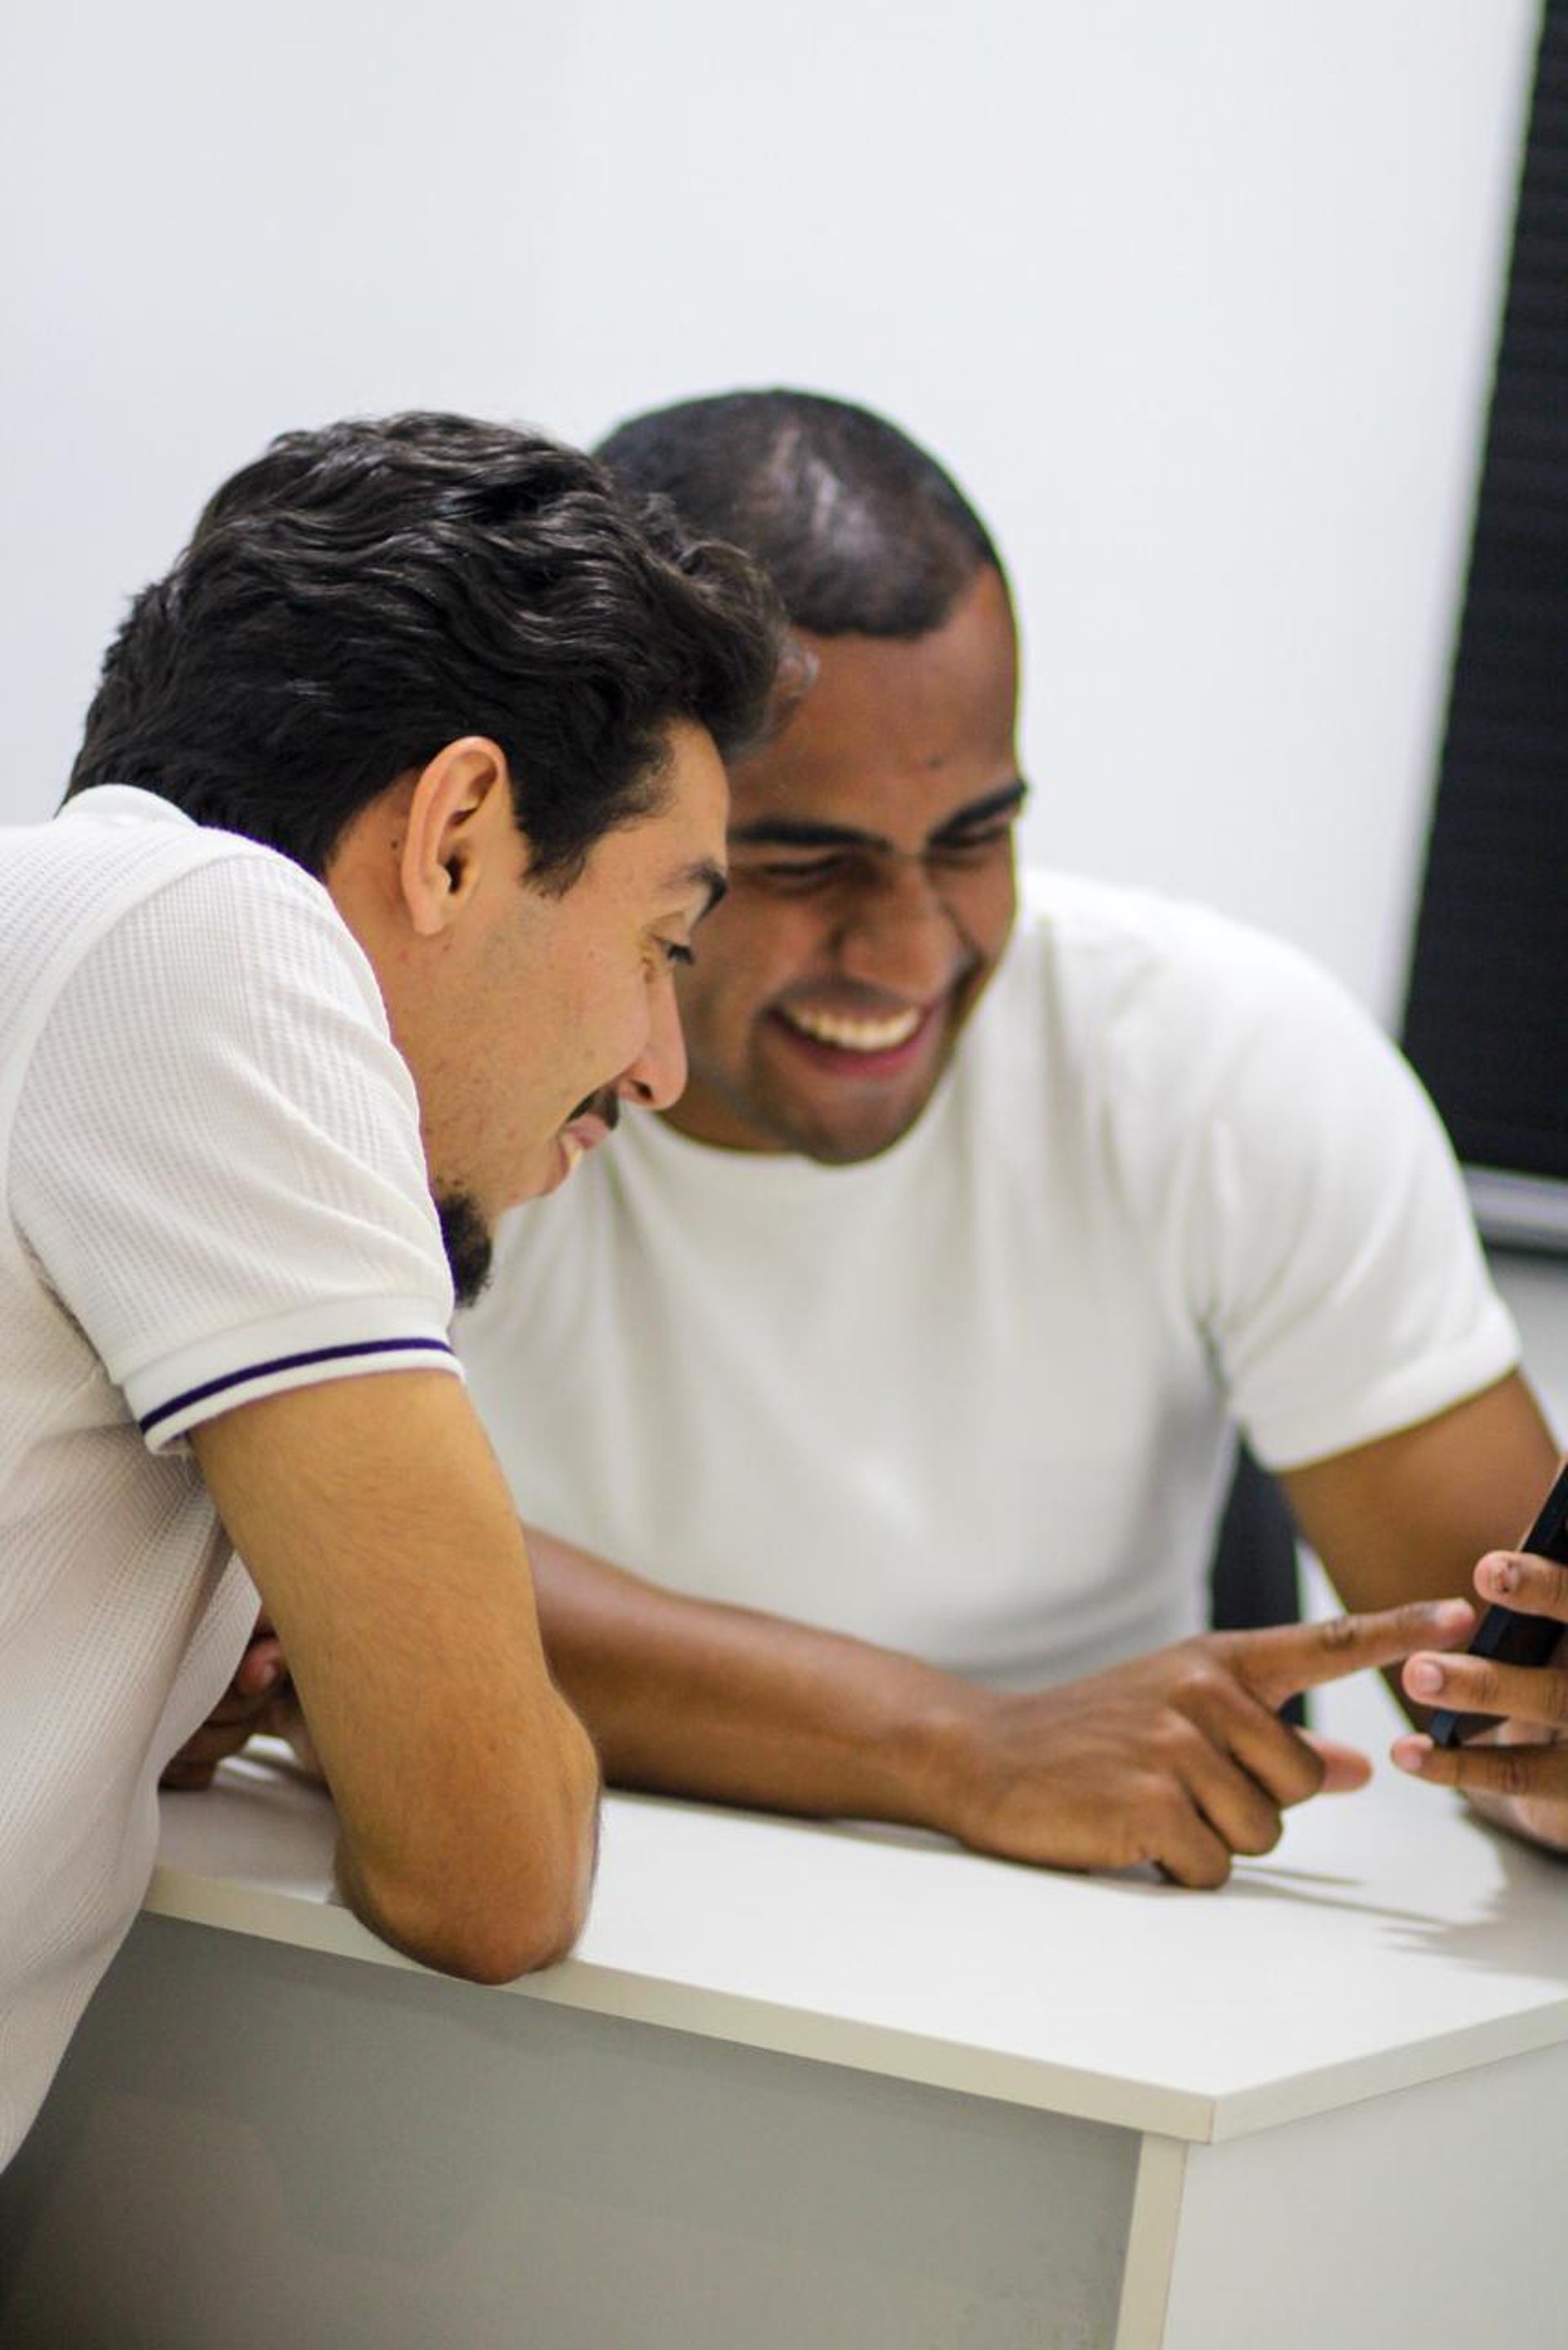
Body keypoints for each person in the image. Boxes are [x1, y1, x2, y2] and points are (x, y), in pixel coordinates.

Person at [449, 390, 1566, 1880]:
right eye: (809, 861)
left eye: (975, 839)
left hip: (1080, 1974)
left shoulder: (1227, 1060)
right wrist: (953, 1742)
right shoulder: (410, 1057)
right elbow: (335, 1574)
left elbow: (1503, 1703)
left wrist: (1541, 1755)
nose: (911, 949)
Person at [0, 408, 783, 2171]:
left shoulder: (69, 932)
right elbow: (490, 1868)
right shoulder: (212, 933)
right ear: (454, 830)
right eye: (666, 937)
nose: (658, 1065)